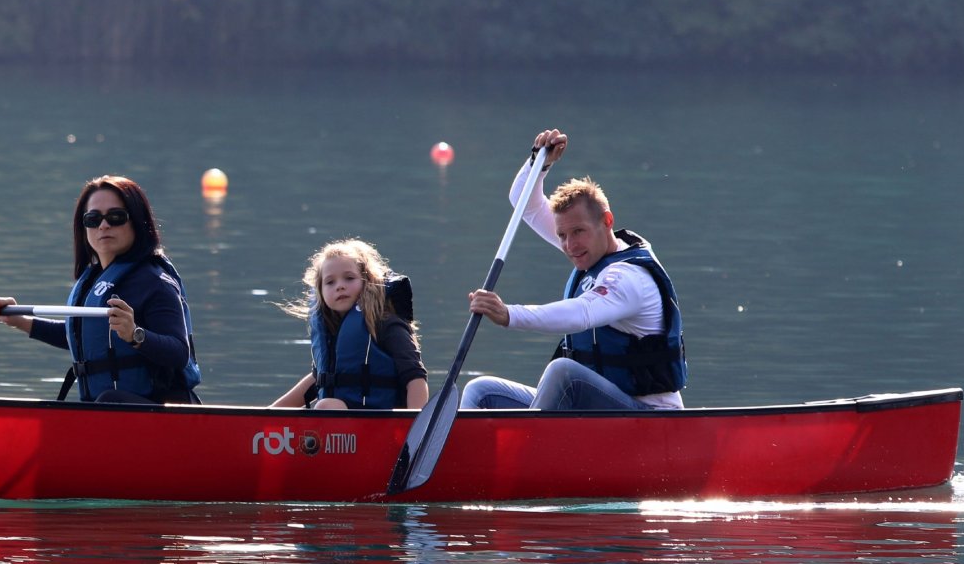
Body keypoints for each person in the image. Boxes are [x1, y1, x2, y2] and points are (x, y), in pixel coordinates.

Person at [459, 128, 686, 411]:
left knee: (563, 372)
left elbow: (582, 313)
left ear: (607, 221)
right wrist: (539, 163)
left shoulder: (628, 279)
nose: (569, 245)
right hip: (598, 411)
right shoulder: (588, 248)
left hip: (649, 419)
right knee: (480, 390)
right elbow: (523, 202)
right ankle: (465, 453)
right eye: (562, 235)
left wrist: (509, 314)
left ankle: (527, 452)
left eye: (578, 232)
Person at [0, 175, 201, 404]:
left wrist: (135, 335)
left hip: (158, 414)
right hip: (103, 411)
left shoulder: (156, 282)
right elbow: (82, 334)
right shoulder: (92, 280)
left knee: (110, 400)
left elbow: (179, 353)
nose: (103, 225)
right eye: (93, 219)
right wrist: (20, 320)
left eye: (116, 217)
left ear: (138, 221)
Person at [272, 239, 428, 410]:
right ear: (320, 291)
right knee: (323, 407)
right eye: (330, 282)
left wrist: (416, 428)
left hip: (384, 426)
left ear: (366, 280)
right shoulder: (331, 332)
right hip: (342, 428)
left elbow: (416, 379)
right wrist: (267, 416)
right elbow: (317, 380)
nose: (340, 286)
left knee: (326, 406)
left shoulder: (386, 323)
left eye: (349, 278)